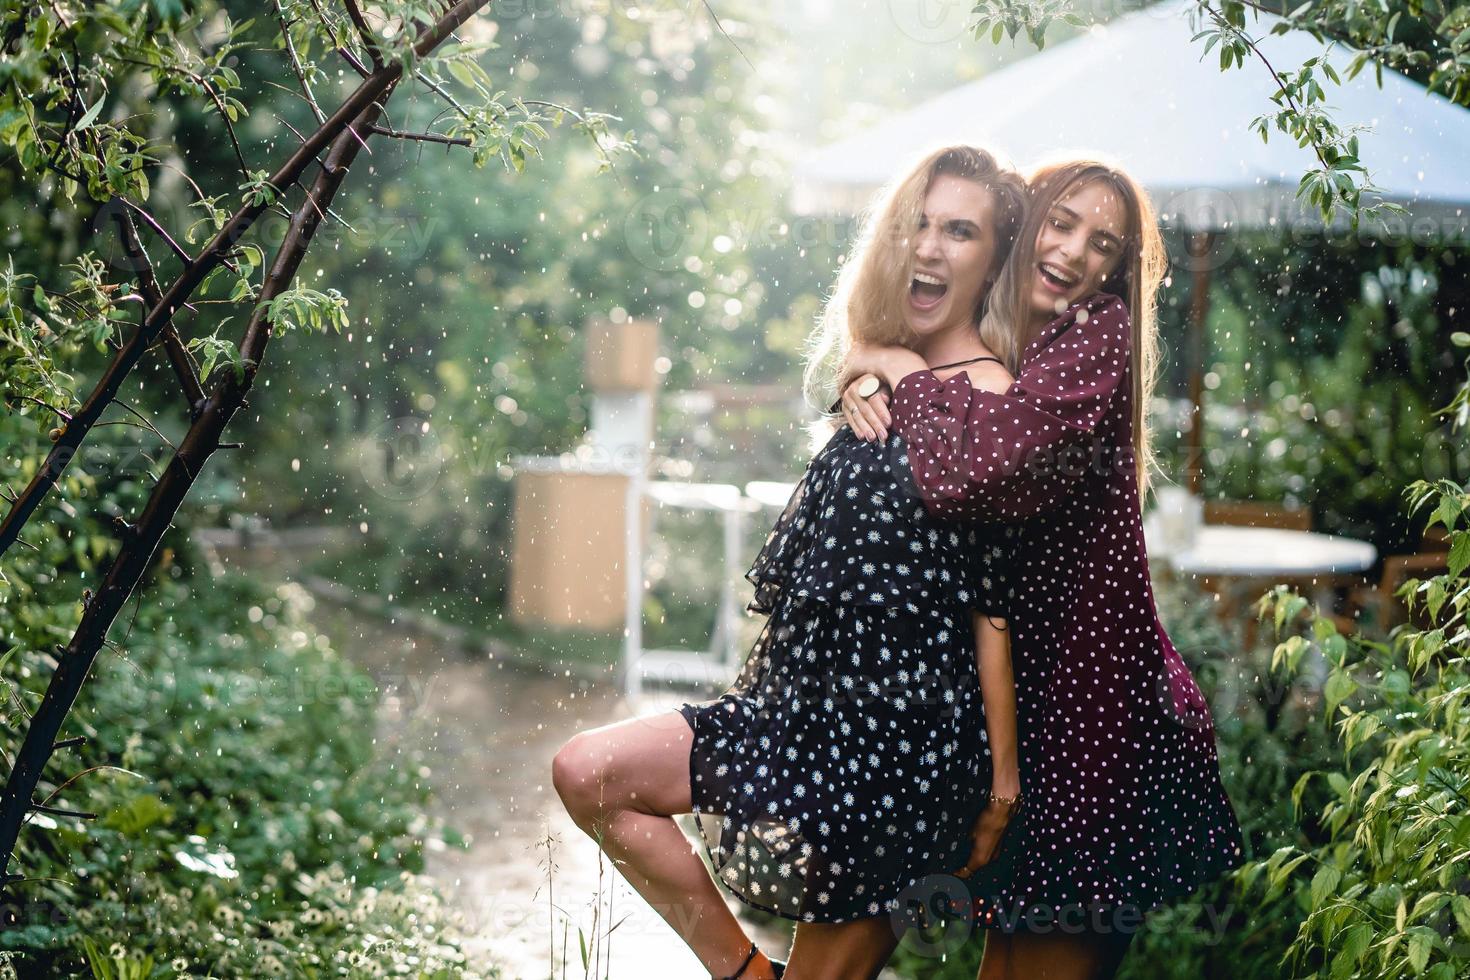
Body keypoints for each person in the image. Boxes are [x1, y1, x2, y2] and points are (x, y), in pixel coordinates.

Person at [552, 144, 1029, 980]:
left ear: (993, 263)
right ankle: (746, 974)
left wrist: (1000, 778)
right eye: (918, 222)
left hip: (896, 753)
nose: (929, 246)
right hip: (794, 719)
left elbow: (997, 606)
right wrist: (873, 362)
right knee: (588, 773)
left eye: (960, 232)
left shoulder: (989, 398)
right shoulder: (884, 367)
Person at [838, 159, 1246, 978]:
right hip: (1025, 712)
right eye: (1060, 222)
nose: (1075, 253)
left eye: (1105, 244)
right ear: (1023, 226)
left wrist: (904, 370)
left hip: (1096, 720)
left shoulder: (1094, 332)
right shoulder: (1002, 344)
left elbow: (971, 474)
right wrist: (864, 355)